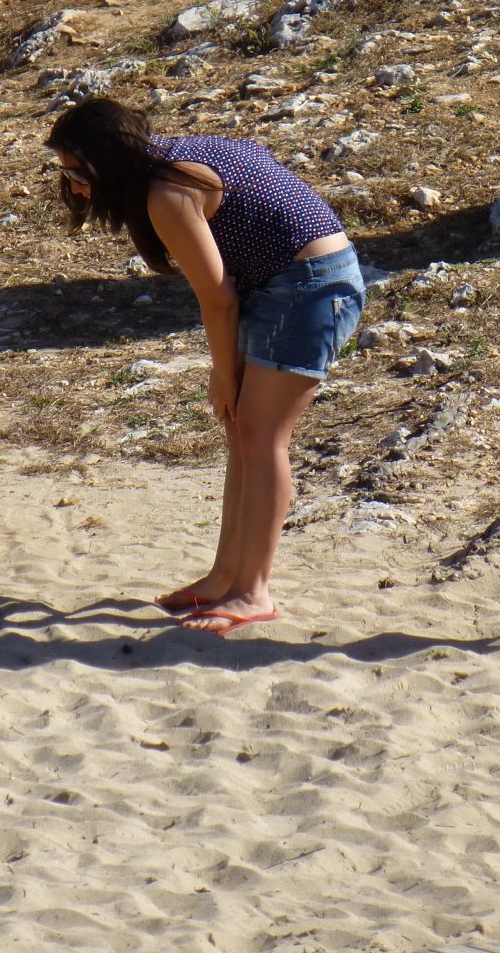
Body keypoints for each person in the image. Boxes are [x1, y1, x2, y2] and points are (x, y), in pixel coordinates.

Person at [48, 98, 365, 636]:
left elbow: (217, 300)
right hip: (281, 283)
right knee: (243, 432)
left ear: (107, 160)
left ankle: (252, 592)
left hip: (312, 287)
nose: (74, 186)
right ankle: (224, 577)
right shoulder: (169, 164)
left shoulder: (167, 192)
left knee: (263, 437)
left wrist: (223, 375)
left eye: (77, 173)